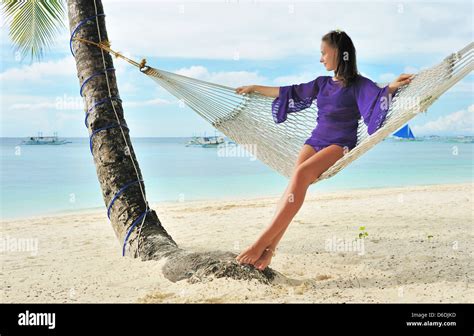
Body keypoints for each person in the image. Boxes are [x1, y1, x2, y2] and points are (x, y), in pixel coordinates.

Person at [234, 29, 415, 271]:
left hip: (339, 144)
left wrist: (391, 88)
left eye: (323, 53)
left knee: (299, 176)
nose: (321, 59)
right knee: (293, 186)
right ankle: (269, 251)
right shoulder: (321, 84)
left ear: (339, 53)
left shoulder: (359, 84)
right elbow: (289, 91)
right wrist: (256, 87)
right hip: (315, 140)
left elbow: (376, 100)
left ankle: (260, 244)